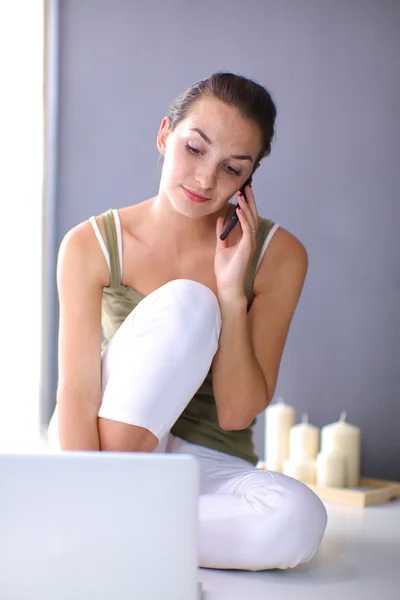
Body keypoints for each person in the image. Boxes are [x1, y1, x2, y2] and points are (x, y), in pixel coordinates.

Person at [48, 72, 327, 571]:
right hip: (106, 452)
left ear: (248, 180)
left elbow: (237, 415)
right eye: (194, 149)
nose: (204, 179)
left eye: (231, 169)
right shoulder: (91, 243)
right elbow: (76, 392)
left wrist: (229, 291)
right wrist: (79, 486)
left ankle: (113, 528)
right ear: (164, 135)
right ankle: (102, 509)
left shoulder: (279, 256)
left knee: (298, 519)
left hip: (204, 460)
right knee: (188, 305)